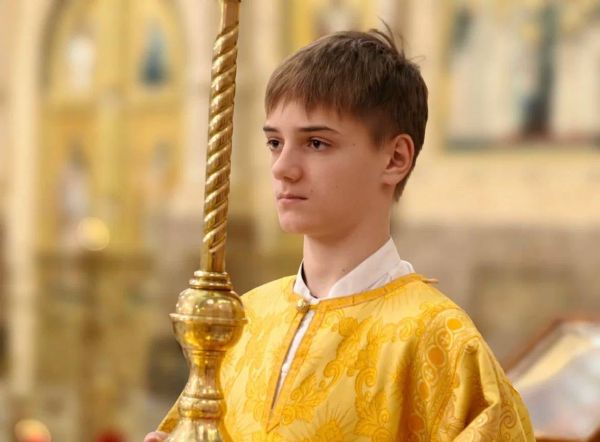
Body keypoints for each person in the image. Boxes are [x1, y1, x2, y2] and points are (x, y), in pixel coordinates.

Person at [145, 29, 534, 441]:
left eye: (315, 143)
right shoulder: (244, 319)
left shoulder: (441, 341)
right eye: (275, 142)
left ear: (395, 158)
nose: (282, 168)